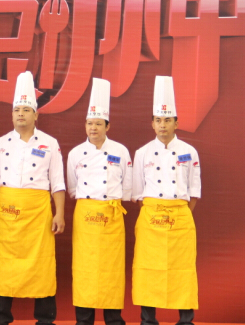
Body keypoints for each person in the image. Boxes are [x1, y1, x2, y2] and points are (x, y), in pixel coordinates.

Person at [0, 71, 65, 325]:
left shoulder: (50, 143)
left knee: (42, 265)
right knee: (4, 265)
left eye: (26, 110)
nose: (21, 114)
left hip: (38, 215)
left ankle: (45, 319)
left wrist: (59, 213)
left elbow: (58, 183)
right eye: (17, 109)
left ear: (36, 114)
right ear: (12, 114)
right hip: (7, 214)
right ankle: (0, 318)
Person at [132, 76, 201, 325]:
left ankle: (186, 320)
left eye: (168, 120)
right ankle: (148, 320)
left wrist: (178, 212)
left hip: (180, 218)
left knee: (183, 270)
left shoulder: (189, 152)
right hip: (151, 218)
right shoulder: (142, 153)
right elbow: (138, 192)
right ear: (152, 123)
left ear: (176, 123)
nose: (163, 125)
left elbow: (194, 191)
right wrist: (156, 211)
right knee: (148, 270)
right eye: (158, 120)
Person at [67, 78, 132, 325]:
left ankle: (114, 320)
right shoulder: (75, 153)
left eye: (98, 123)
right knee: (84, 268)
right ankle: (84, 320)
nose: (93, 128)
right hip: (86, 215)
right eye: (89, 123)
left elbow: (128, 186)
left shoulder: (121, 151)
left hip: (111, 216)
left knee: (111, 269)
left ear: (107, 126)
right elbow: (72, 187)